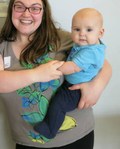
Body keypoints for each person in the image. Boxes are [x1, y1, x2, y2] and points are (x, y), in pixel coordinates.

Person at [0, 0, 112, 149]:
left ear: (43, 13)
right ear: (11, 10)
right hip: (30, 142)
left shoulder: (60, 38)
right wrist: (37, 74)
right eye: (20, 7)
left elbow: (102, 61)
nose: (26, 13)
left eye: (35, 8)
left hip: (77, 137)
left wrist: (97, 86)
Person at [34, 8, 106, 139]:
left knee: (58, 105)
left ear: (100, 33)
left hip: (75, 89)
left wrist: (55, 67)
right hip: (72, 84)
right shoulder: (87, 45)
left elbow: (72, 67)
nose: (82, 34)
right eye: (77, 29)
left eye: (89, 30)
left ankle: (50, 129)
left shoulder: (90, 52)